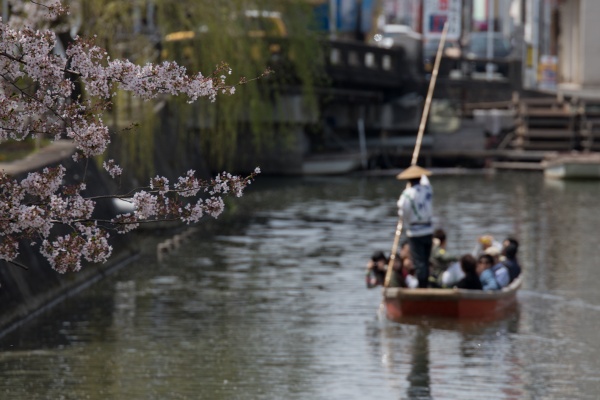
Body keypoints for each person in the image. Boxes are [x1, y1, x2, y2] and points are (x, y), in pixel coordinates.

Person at [396, 165, 434, 288]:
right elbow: (426, 182)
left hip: (415, 232)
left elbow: (402, 212)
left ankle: (422, 287)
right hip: (428, 230)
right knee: (426, 260)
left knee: (419, 262)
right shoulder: (428, 189)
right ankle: (424, 284)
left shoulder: (407, 194)